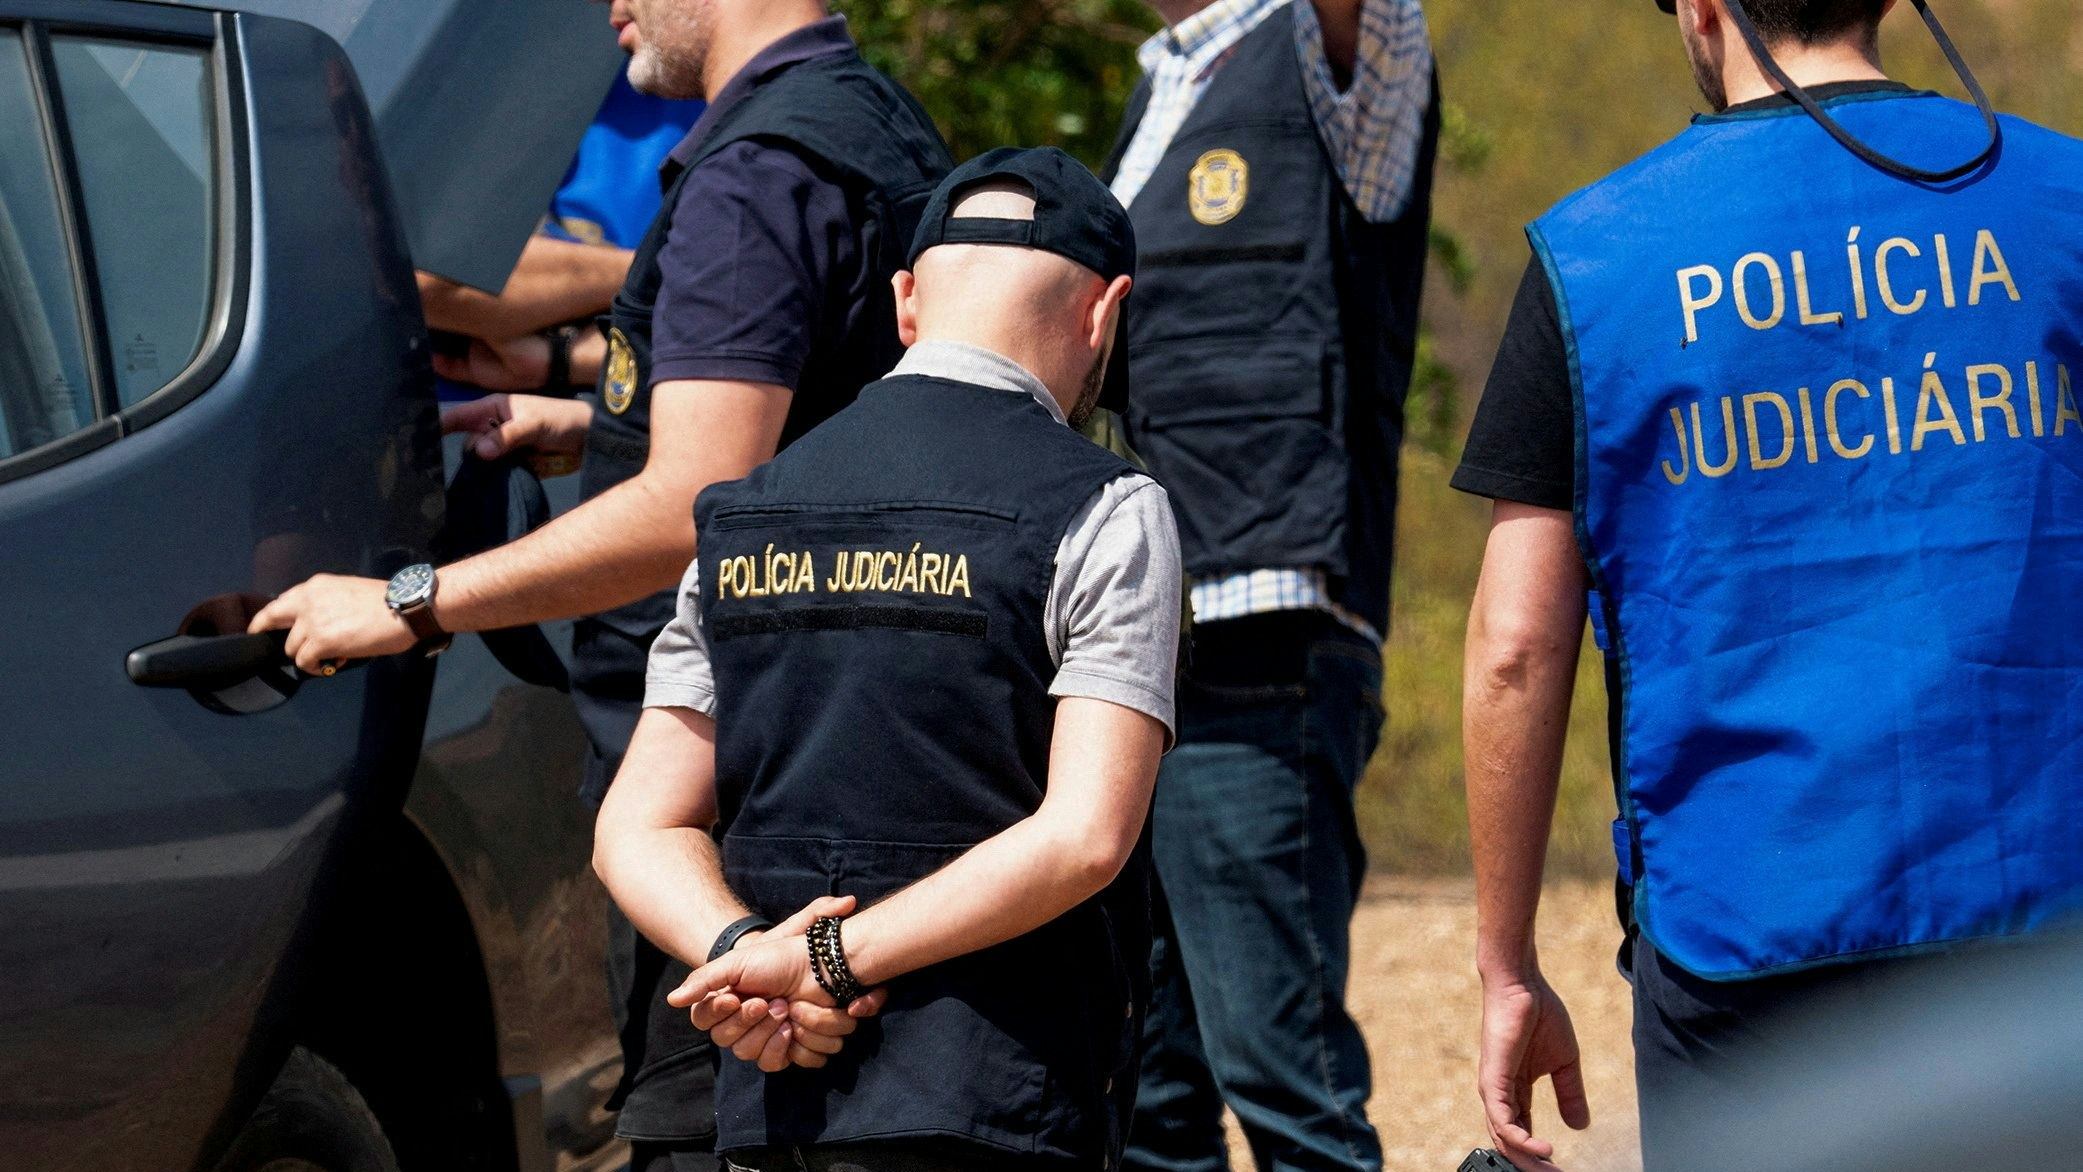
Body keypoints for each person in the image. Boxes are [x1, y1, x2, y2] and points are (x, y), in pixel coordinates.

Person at [252, 2, 953, 1167]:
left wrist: (406, 600)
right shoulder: (872, 120)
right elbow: (826, 424)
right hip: (854, 751)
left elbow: (692, 507)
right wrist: (602, 429)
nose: (610, 5)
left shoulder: (756, 172)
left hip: (745, 813)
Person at [1452, 0, 2083, 1167]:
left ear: (1704, 8)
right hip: (2040, 911)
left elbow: (1514, 646)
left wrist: (1507, 962)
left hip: (1745, 920)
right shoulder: (2064, 201)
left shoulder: (1594, 257)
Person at [593, 148, 1185, 1172]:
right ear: (1104, 315)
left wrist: (748, 957)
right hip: (994, 1098)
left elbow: (635, 825)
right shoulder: (1105, 508)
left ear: (906, 301)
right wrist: (823, 962)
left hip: (771, 1097)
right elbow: (1085, 835)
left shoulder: (742, 511)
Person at [1097, 2, 1437, 1169]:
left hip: (1256, 635)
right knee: (1148, 1094)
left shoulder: (1329, 51)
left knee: (1287, 1094)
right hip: (1131, 648)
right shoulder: (1165, 80)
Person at [420, 66, 705, 412]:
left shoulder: (734, 93)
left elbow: (745, 331)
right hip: (447, 415)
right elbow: (426, 274)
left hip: (630, 421)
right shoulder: (482, 66)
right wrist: (674, 269)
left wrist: (568, 358)